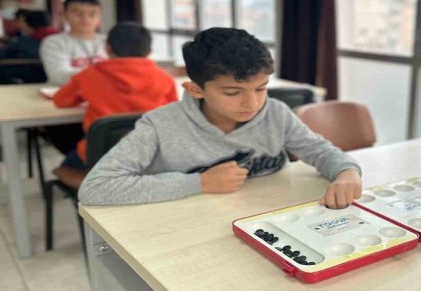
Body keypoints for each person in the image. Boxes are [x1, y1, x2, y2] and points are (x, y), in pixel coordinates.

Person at [78, 28, 363, 209]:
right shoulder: (159, 126)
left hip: (261, 217)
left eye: (261, 89)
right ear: (196, 90)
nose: (252, 103)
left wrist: (346, 173)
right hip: (186, 229)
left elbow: (319, 151)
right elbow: (95, 188)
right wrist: (198, 183)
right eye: (232, 92)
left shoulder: (275, 113)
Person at [52, 22, 178, 188]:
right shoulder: (165, 79)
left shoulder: (88, 75)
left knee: (67, 164)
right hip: (149, 159)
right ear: (149, 52)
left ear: (107, 48)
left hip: (99, 158)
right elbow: (172, 115)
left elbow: (61, 100)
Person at [40, 0, 107, 86]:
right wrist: (106, 76)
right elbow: (59, 76)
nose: (85, 19)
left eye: (92, 14)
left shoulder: (110, 41)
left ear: (99, 18)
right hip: (67, 92)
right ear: (63, 16)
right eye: (78, 14)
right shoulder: (54, 42)